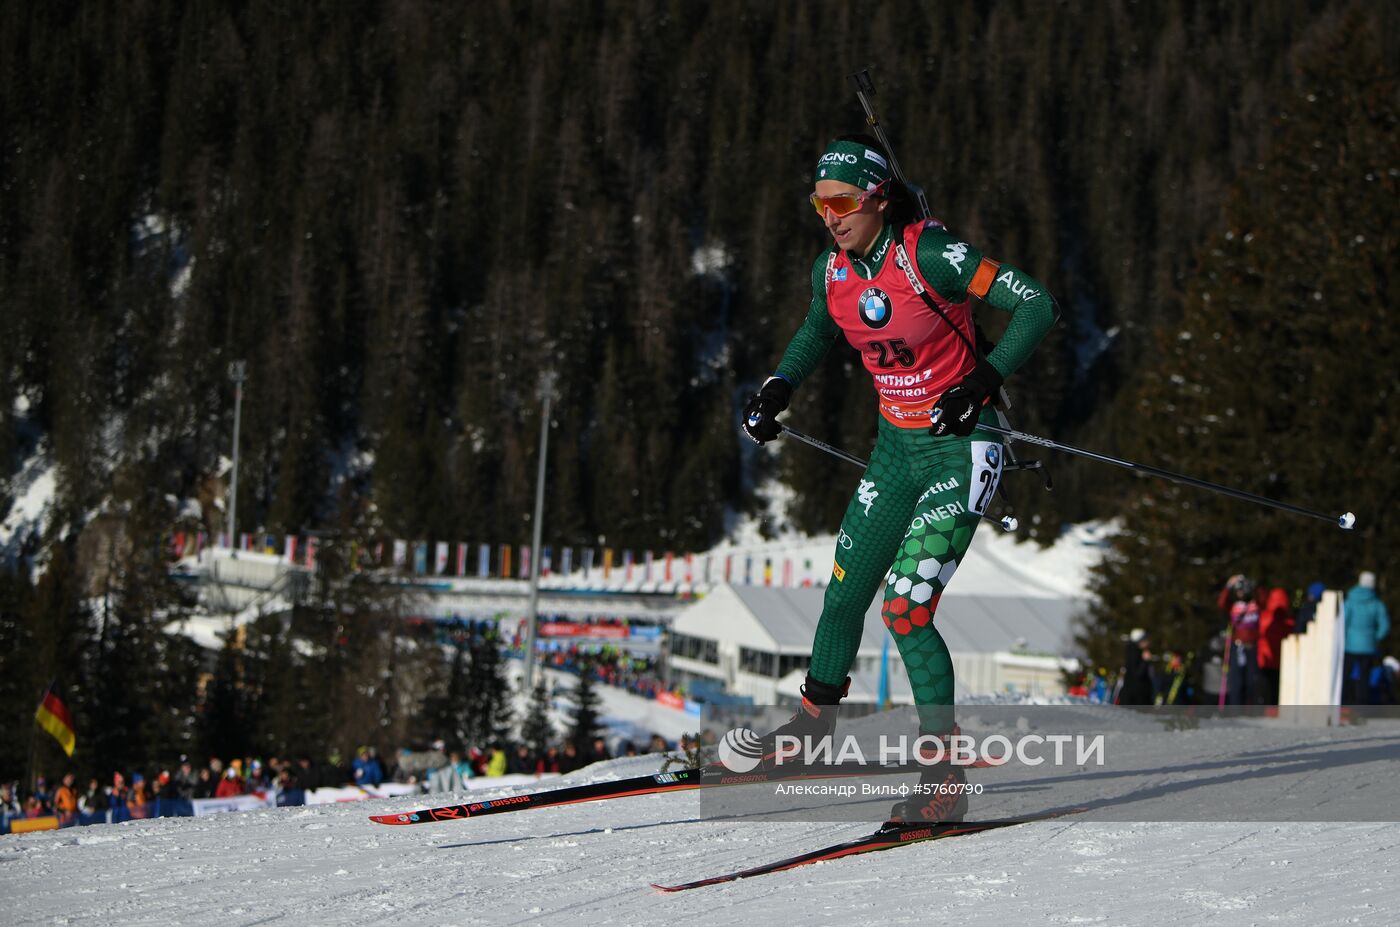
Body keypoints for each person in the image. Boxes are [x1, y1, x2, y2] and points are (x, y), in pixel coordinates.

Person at [742, 133, 1057, 826]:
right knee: (845, 587)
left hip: (962, 447)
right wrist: (778, 385)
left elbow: (1036, 303)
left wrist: (983, 380)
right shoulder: (833, 272)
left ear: (878, 197)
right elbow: (818, 331)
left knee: (907, 608)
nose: (831, 215)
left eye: (844, 201)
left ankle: (944, 779)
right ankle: (810, 732)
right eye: (819, 202)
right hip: (895, 449)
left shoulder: (931, 256)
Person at [1343, 571, 1391, 705]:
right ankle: (1361, 704)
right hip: (1368, 646)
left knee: (1346, 675)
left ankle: (1345, 701)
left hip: (1350, 645)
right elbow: (1385, 625)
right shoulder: (1376, 603)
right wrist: (1375, 638)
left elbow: (1343, 621)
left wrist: (1345, 637)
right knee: (1364, 677)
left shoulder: (1350, 601)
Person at [1218, 575, 1262, 705]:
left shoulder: (1255, 604)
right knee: (1236, 680)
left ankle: (1249, 707)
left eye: (1243, 590)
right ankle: (1235, 708)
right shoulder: (1233, 606)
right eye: (1238, 590)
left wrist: (1256, 585)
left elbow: (1264, 599)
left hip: (1252, 647)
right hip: (1237, 647)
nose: (1240, 593)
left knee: (1251, 680)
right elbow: (1221, 603)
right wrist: (1228, 586)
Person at [1256, 585, 1295, 705]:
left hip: (1264, 659)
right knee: (1277, 687)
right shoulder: (1289, 622)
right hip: (1281, 661)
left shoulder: (1262, 617)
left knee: (1264, 687)